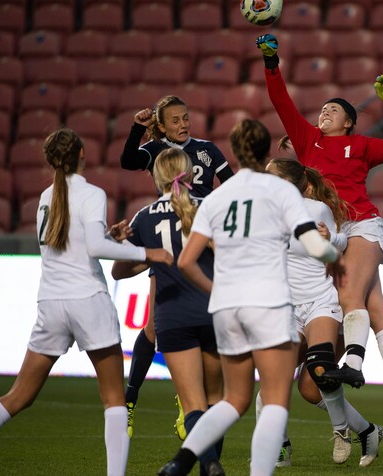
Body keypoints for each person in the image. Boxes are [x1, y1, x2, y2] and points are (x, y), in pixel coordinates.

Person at [157, 119, 342, 476]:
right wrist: (332, 255)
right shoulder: (281, 192)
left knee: (234, 400)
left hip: (227, 309)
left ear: (237, 152)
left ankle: (181, 461)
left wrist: (217, 290)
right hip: (267, 302)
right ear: (263, 151)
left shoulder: (216, 198)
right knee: (274, 401)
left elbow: (186, 261)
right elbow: (315, 244)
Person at [257, 33, 383, 419]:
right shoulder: (307, 141)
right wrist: (270, 62)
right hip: (337, 232)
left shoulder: (361, 145)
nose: (325, 112)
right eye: (324, 109)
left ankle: (354, 363)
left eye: (334, 110)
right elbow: (281, 102)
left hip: (363, 226)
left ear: (348, 122)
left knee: (349, 293)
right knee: (375, 305)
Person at [0, 129, 173, 476]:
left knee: (19, 396)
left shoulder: (46, 196)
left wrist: (108, 236)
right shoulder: (91, 193)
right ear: (83, 154)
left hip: (51, 303)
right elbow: (93, 250)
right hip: (88, 301)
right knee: (114, 400)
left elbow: (74, 245)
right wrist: (147, 252)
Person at [120, 95, 234, 439]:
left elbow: (231, 187)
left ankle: (190, 403)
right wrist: (136, 129)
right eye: (175, 120)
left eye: (186, 117)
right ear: (162, 125)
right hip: (170, 235)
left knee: (195, 320)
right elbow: (127, 161)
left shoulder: (208, 150)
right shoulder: (155, 149)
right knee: (154, 327)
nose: (183, 124)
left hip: (203, 234)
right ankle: (130, 398)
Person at [111, 148, 225, 476]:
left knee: (192, 404)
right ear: (190, 175)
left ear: (157, 178)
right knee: (216, 400)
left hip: (171, 316)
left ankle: (209, 464)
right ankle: (210, 465)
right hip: (212, 312)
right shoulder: (207, 208)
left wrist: (150, 256)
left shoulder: (144, 217)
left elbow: (119, 271)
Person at [264, 156, 383, 467]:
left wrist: (332, 239)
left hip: (320, 299)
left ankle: (341, 431)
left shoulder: (316, 209)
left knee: (319, 368)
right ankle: (366, 432)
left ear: (292, 186)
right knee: (284, 383)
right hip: (286, 305)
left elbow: (341, 242)